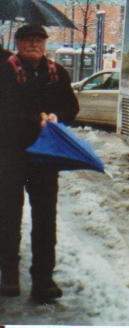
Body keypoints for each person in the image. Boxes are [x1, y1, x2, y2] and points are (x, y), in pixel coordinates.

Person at [0, 24, 78, 302]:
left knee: (45, 219)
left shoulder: (57, 73)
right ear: (18, 44)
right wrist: (34, 120)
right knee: (8, 217)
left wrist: (58, 117)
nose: (34, 45)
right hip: (11, 156)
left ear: (46, 44)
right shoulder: (5, 71)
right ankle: (9, 274)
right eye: (27, 41)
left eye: (39, 40)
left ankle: (43, 279)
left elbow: (71, 107)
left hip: (45, 159)